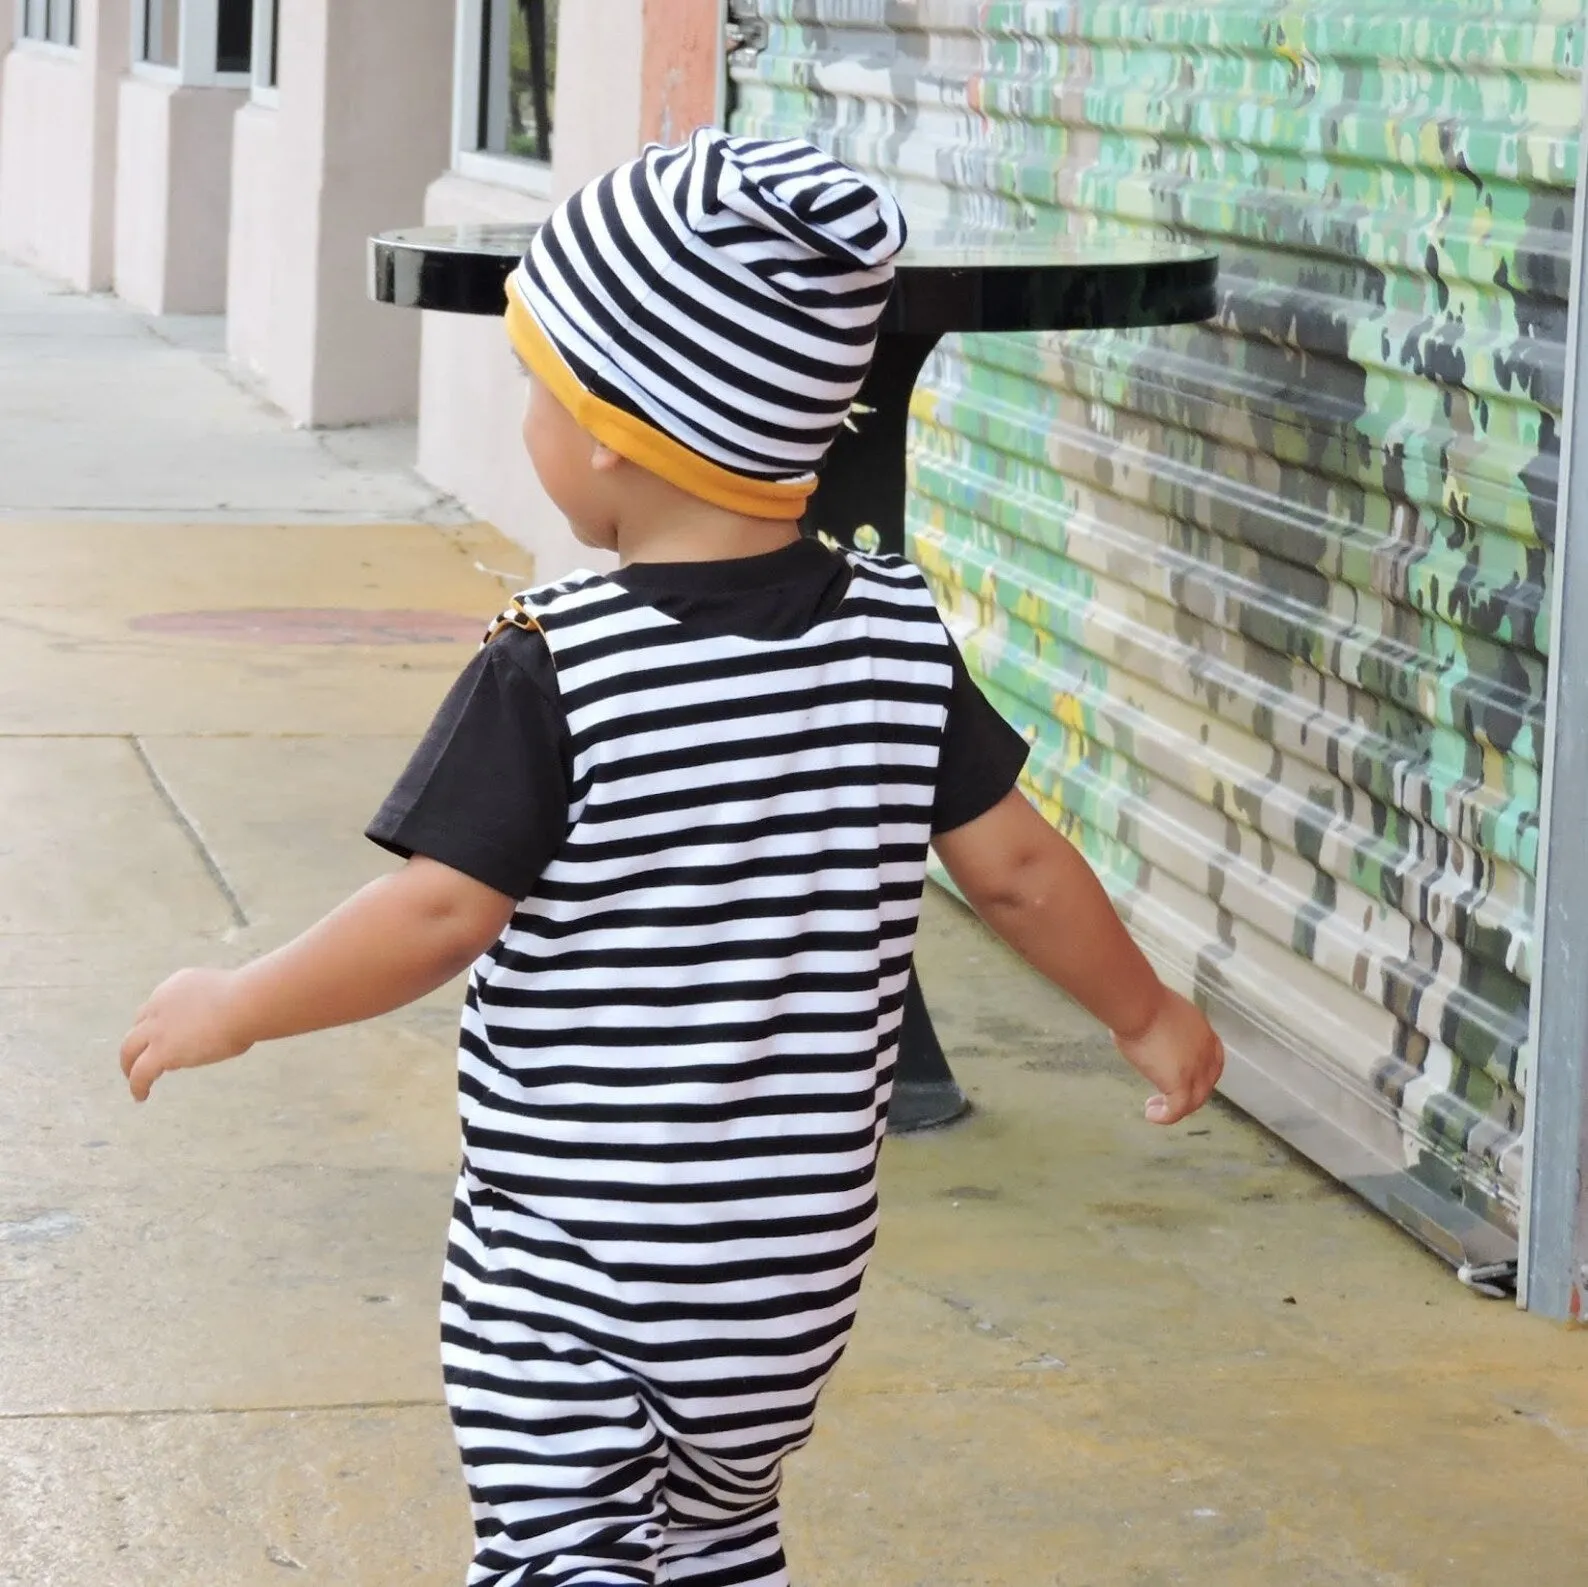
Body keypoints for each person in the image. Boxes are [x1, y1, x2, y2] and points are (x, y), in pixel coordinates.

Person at [120, 130, 1223, 1587]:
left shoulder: (556, 666)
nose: (529, 417)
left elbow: (439, 911)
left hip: (579, 1272)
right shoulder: (895, 634)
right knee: (716, 1540)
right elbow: (1015, 867)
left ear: (610, 426)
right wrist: (1147, 1015)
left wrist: (240, 998)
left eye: (538, 383)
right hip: (785, 1282)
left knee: (561, 1551)